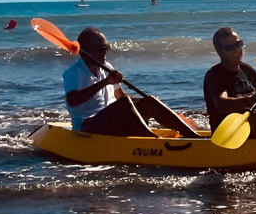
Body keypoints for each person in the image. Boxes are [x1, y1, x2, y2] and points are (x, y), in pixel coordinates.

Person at [63, 27, 199, 138]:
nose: (105, 53)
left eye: (106, 49)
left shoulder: (107, 68)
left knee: (150, 101)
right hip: (87, 126)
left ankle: (192, 135)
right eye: (101, 49)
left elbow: (120, 96)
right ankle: (151, 139)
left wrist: (146, 104)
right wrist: (105, 82)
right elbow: (73, 100)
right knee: (124, 103)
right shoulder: (74, 72)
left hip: (112, 121)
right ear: (86, 51)